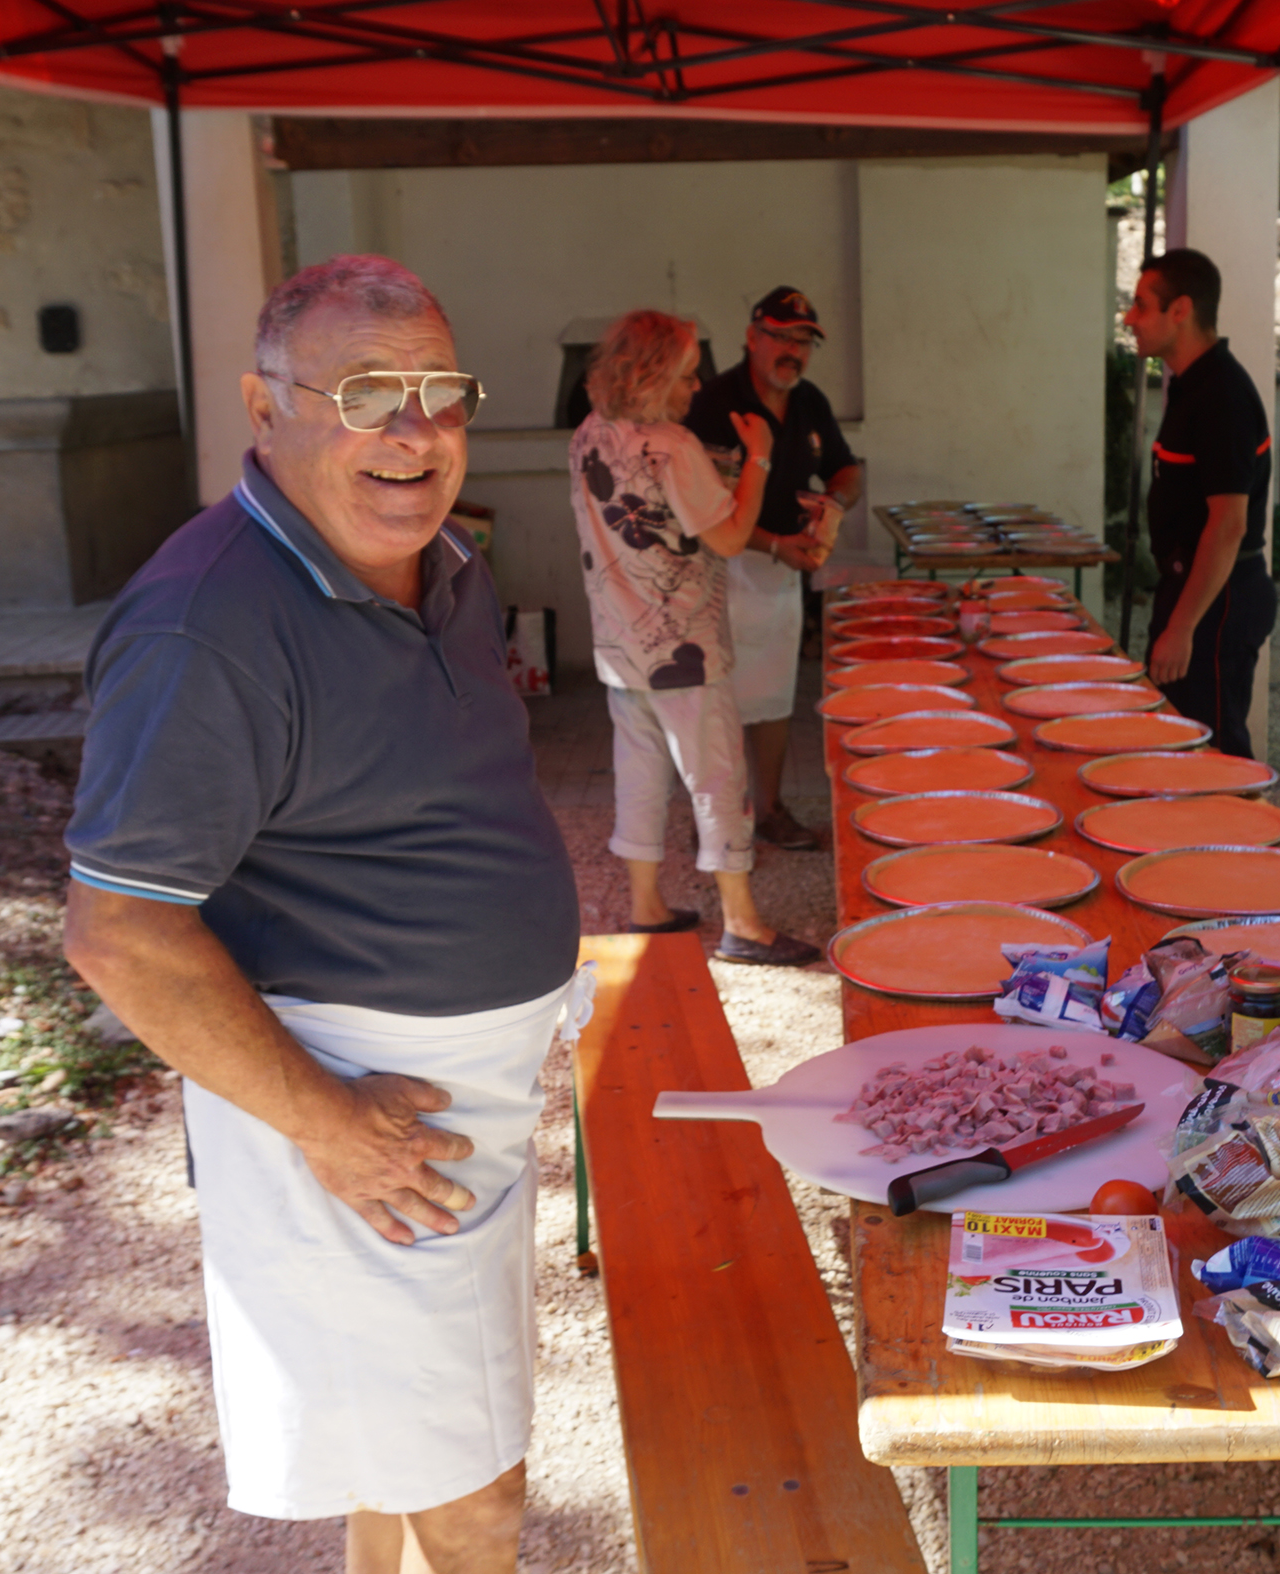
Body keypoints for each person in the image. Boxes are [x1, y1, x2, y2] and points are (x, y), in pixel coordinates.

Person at [60, 256, 584, 1574]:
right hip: (368, 1113)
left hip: (449, 1106)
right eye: (363, 392)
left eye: (437, 391)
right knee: (474, 1486)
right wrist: (326, 1122)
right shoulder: (208, 625)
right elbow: (118, 930)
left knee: (401, 1441)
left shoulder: (441, 561)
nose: (413, 430)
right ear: (263, 404)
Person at [569, 308, 820, 968]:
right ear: (650, 377)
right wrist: (759, 457)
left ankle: (645, 906)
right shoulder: (671, 447)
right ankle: (743, 924)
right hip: (685, 648)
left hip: (620, 646)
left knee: (641, 773)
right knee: (716, 778)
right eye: (684, 375)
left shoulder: (590, 434)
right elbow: (731, 538)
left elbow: (646, 510)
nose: (696, 387)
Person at [684, 285, 862, 849]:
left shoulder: (809, 400)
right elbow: (701, 507)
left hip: (783, 567)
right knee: (719, 699)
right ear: (752, 336)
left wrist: (833, 505)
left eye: (804, 340)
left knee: (775, 695)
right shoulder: (713, 401)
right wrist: (776, 544)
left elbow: (846, 470)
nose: (794, 350)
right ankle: (717, 817)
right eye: (782, 337)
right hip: (718, 569)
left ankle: (770, 810)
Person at [1121, 248, 1276, 758]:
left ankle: (1242, 840)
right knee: (1176, 744)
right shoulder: (1192, 386)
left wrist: (1183, 626)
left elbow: (1228, 525)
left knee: (1214, 753)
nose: (1130, 318)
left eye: (1142, 305)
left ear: (1180, 309)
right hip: (1193, 590)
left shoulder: (1221, 395)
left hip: (1218, 599)